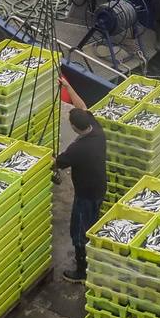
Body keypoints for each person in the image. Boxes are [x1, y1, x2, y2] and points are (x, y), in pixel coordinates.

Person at [55, 78, 106, 283]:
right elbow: (82, 106)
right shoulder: (97, 130)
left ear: (75, 127)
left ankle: (82, 271)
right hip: (100, 188)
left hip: (85, 195)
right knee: (92, 226)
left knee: (78, 231)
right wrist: (68, 86)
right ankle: (93, 259)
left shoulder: (77, 150)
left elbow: (56, 162)